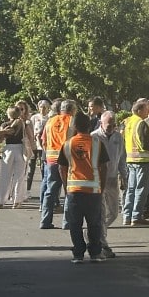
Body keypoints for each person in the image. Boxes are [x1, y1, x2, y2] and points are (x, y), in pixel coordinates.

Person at [57, 111, 108, 263]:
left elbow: (62, 168)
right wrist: (102, 187)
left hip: (74, 190)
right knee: (94, 223)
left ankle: (78, 254)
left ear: (74, 126)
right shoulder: (97, 143)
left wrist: (66, 187)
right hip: (93, 190)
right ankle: (95, 253)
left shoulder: (68, 144)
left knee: (75, 224)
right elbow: (104, 167)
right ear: (89, 125)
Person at [91, 110, 124, 258]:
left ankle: (94, 232)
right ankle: (102, 243)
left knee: (114, 212)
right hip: (97, 178)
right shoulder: (94, 137)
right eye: (108, 125)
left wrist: (124, 175)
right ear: (101, 123)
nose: (111, 128)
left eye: (113, 125)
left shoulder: (118, 137)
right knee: (101, 212)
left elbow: (122, 157)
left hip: (112, 177)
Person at [40, 99, 75, 229]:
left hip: (51, 160)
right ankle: (67, 222)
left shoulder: (50, 121)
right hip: (67, 160)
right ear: (72, 110)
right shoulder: (72, 121)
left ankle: (45, 220)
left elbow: (43, 141)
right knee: (68, 191)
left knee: (50, 191)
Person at [122, 98, 149, 226]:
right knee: (141, 189)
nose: (148, 111)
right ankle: (136, 216)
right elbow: (145, 144)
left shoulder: (128, 122)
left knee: (131, 189)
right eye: (146, 109)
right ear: (140, 110)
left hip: (131, 159)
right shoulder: (141, 123)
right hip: (143, 160)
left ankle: (127, 216)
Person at [0, 105, 26, 209]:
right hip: (20, 149)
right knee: (19, 176)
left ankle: (1, 200)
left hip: (8, 149)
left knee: (5, 176)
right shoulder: (22, 123)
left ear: (8, 113)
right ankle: (17, 200)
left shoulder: (4, 124)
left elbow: (0, 139)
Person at [27, 99, 49, 193]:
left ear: (48, 108)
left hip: (43, 147)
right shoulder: (34, 117)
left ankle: (44, 189)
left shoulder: (49, 118)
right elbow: (30, 129)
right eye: (41, 107)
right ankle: (28, 190)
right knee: (31, 168)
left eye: (45, 107)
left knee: (42, 168)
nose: (42, 109)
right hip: (34, 145)